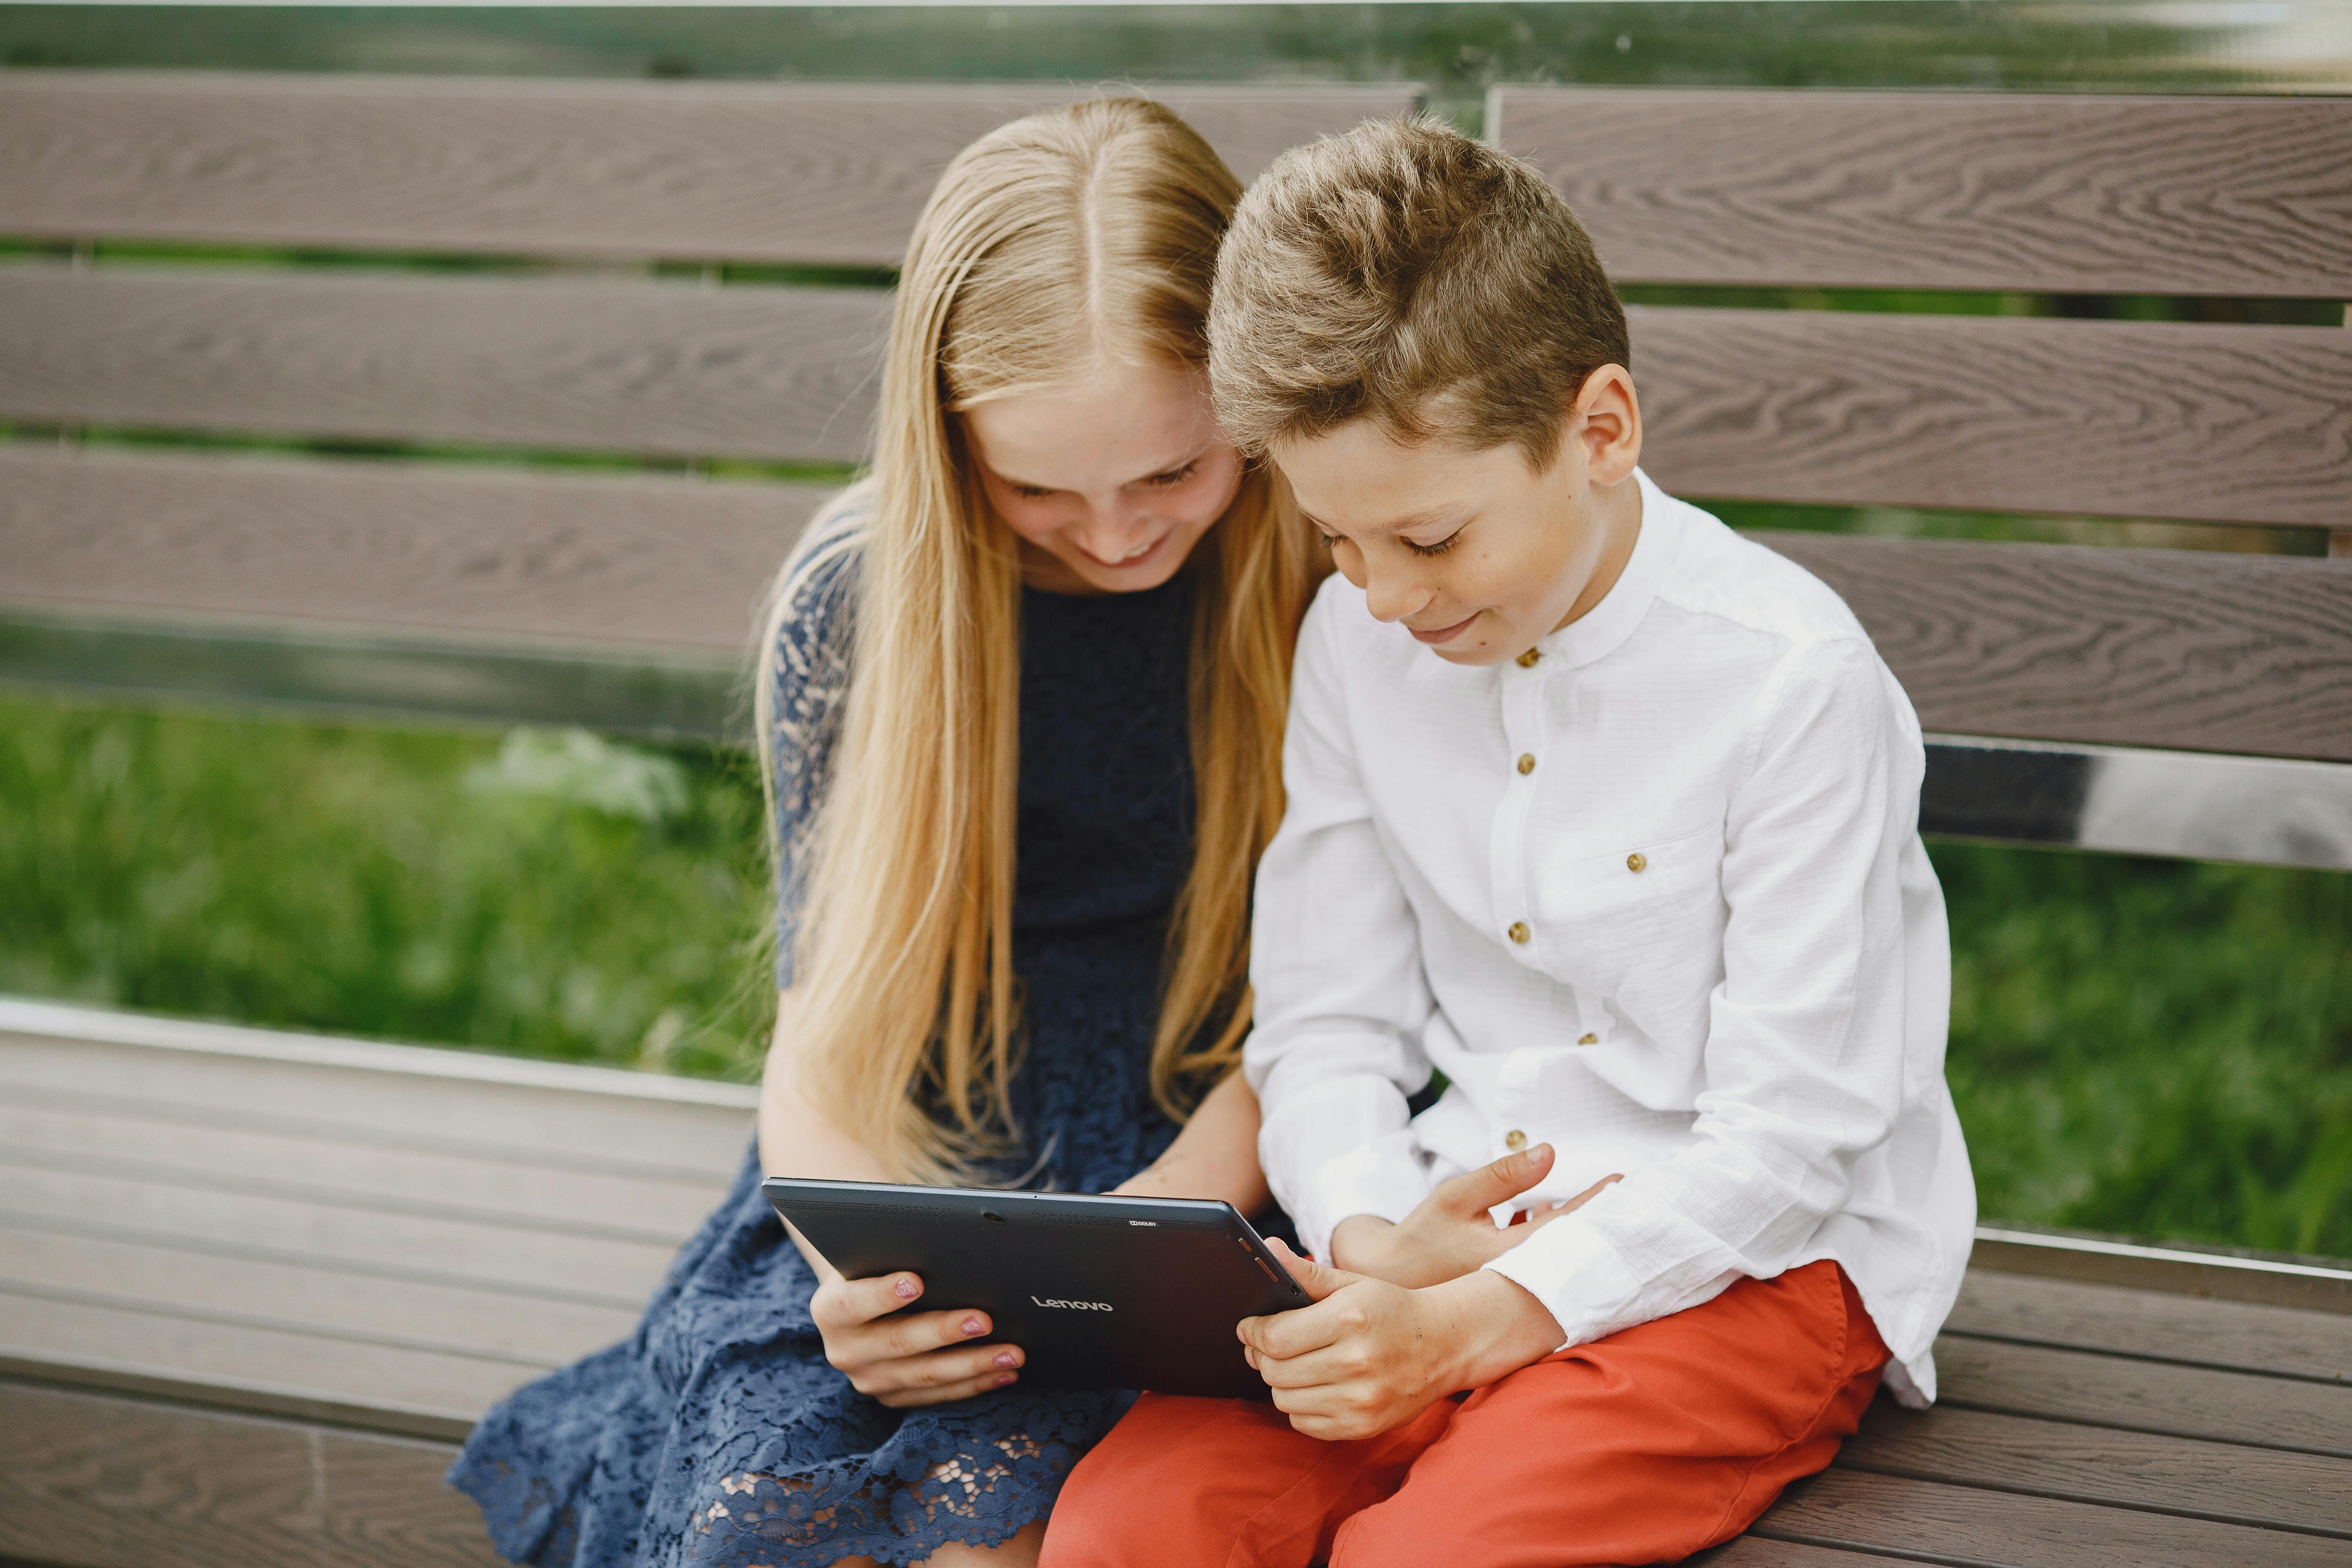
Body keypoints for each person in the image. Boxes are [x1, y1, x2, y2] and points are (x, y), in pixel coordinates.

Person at [1040, 116, 1975, 1568]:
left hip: (1754, 1257)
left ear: (1599, 430)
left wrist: (1471, 1329)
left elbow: (1794, 1139)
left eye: (1427, 540)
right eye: (1338, 543)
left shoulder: (1791, 680)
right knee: (1124, 1534)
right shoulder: (1355, 636)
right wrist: (1366, 1240)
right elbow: (1330, 1016)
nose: (1385, 596)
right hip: (1444, 1223)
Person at [447, 97, 1321, 1568]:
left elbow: (1359, 997)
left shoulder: (1319, 568)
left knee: (988, 1539)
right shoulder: (865, 595)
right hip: (920, 1145)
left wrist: (1157, 1230)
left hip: (1230, 1124)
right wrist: (853, 1274)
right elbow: (826, 1017)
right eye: (1038, 485)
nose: (1113, 536)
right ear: (945, 433)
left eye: (1171, 472)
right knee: (773, 1513)